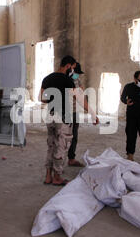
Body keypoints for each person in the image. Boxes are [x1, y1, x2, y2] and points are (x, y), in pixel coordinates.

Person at [40, 56, 99, 186]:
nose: (72, 70)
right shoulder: (68, 80)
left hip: (51, 116)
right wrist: (93, 114)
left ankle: (48, 176)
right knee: (61, 147)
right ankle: (57, 177)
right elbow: (80, 99)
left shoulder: (47, 78)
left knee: (51, 146)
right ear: (67, 66)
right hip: (64, 118)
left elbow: (42, 99)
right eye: (72, 67)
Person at [67, 62, 85, 167]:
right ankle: (61, 158)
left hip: (75, 110)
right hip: (67, 111)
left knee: (74, 135)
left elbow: (81, 90)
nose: (78, 74)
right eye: (77, 72)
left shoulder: (76, 79)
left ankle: (71, 158)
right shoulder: (66, 79)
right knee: (64, 136)